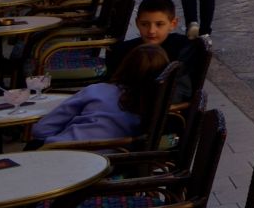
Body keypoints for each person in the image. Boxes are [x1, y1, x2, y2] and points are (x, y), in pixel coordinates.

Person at [30, 43, 169, 144]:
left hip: (58, 153)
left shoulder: (98, 91)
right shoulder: (153, 111)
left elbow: (41, 129)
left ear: (124, 66)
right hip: (103, 165)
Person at [101, 0, 199, 97]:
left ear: (173, 24)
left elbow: (181, 92)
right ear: (137, 23)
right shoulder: (122, 51)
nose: (151, 31)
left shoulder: (183, 49)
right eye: (145, 24)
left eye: (159, 24)